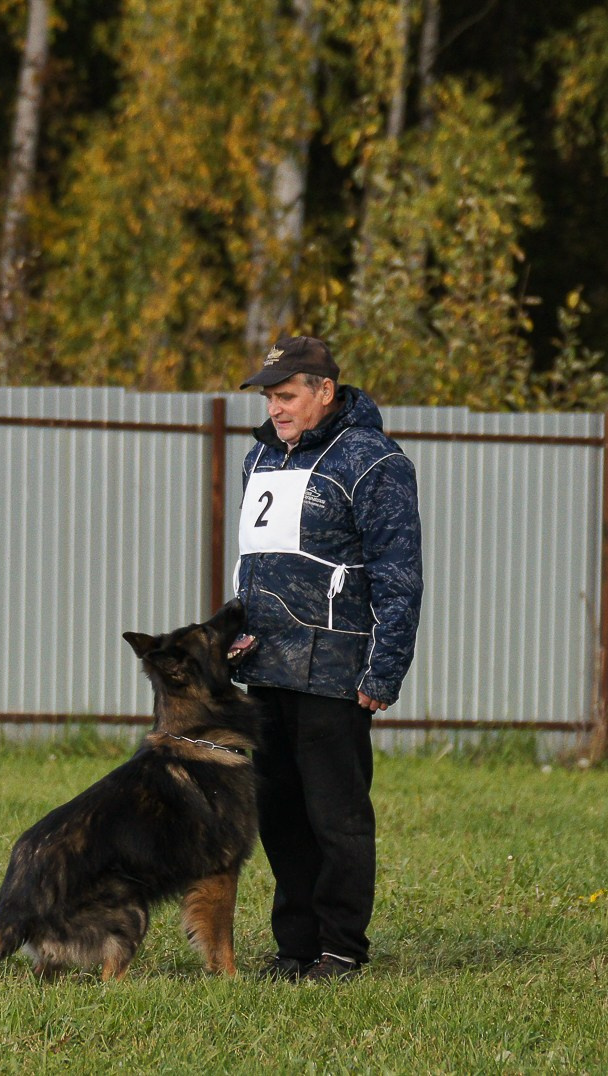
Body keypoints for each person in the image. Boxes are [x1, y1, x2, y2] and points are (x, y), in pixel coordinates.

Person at [231, 335, 423, 982]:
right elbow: (254, 565)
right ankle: (295, 947)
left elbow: (400, 576)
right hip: (267, 670)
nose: (276, 408)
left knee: (336, 820)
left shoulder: (373, 462)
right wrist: (238, 633)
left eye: (287, 395)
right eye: (269, 396)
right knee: (281, 818)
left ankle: (341, 949)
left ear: (324, 391)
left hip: (335, 675)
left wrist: (384, 668)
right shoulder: (259, 457)